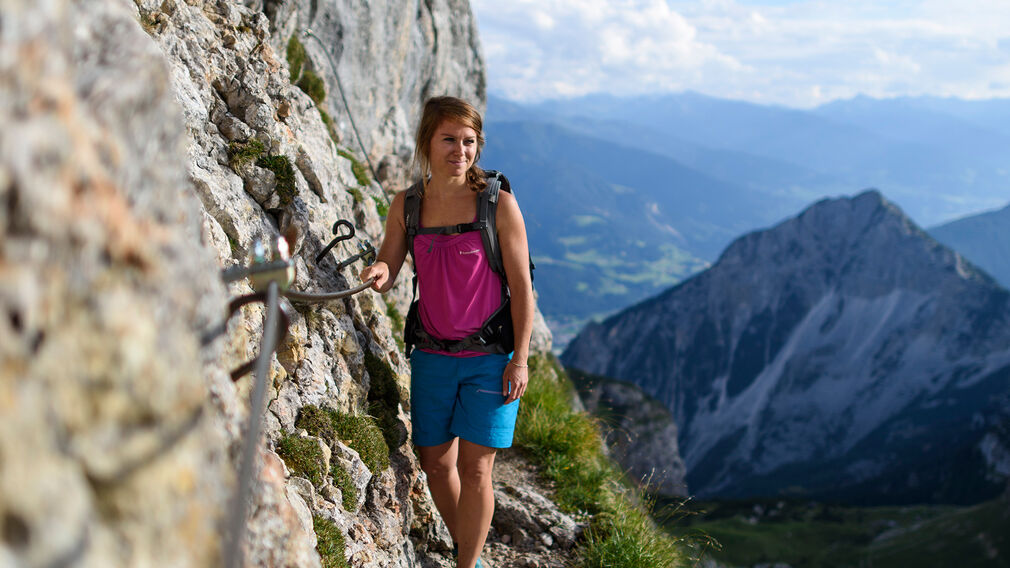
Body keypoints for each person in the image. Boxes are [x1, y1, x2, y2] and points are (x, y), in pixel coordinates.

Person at [359, 96, 534, 568]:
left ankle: (467, 563)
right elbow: (390, 260)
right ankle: (469, 549)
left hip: (491, 356)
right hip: (432, 355)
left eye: (470, 140)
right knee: (436, 462)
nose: (461, 150)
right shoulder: (408, 205)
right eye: (450, 139)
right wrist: (378, 270)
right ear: (427, 143)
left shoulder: (497, 205)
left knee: (477, 469)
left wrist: (520, 358)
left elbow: (522, 287)